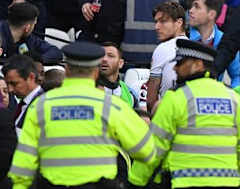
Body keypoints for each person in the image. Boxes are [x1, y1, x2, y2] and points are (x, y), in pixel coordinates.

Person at [9, 42, 156, 189]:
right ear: (96, 72)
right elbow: (147, 151)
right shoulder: (112, 106)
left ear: (66, 70)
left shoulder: (41, 105)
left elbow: (23, 163)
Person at [128, 39, 240, 189]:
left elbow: (154, 147)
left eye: (181, 63)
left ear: (198, 65)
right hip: (227, 183)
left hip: (185, 183)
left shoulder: (176, 99)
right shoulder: (233, 99)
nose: (175, 68)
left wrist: (135, 181)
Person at [188, 0, 240, 85]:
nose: (191, 11)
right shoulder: (184, 37)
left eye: (197, 7)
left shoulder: (226, 41)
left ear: (211, 14)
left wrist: (231, 95)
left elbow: (237, 75)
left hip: (214, 97)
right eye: (192, 6)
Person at [146, 1, 188, 113]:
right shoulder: (196, 49)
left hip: (168, 114)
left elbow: (151, 99)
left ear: (179, 22)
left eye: (163, 21)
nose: (157, 27)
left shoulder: (162, 49)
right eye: (156, 22)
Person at [3, 55, 43, 136]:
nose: (10, 89)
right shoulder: (23, 104)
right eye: (7, 84)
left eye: (14, 83)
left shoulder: (42, 105)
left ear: (31, 77)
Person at [97, 42, 138, 108]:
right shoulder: (87, 88)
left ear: (120, 63)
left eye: (110, 56)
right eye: (100, 56)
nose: (104, 59)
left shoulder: (129, 92)